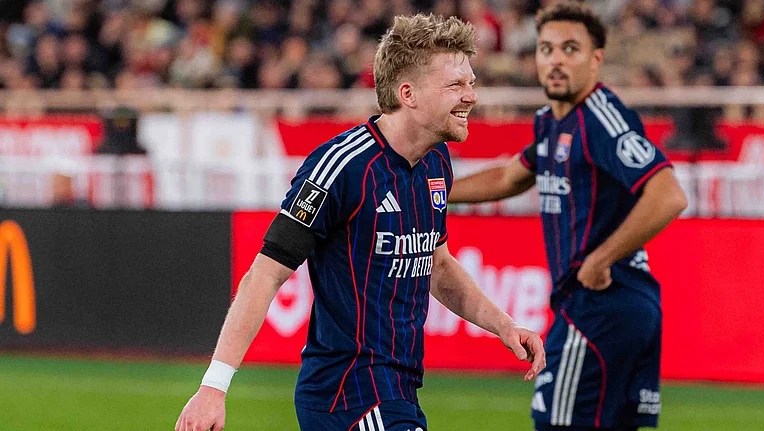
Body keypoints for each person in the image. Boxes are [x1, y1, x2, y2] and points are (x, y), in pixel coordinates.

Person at [175, 14, 545, 431]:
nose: (471, 96)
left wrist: (505, 326)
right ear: (408, 93)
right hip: (347, 393)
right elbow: (265, 274)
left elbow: (437, 266)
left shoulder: (436, 162)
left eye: (471, 83)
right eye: (456, 85)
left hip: (398, 390)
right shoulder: (341, 167)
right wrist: (213, 387)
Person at [449, 2, 688, 430]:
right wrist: (432, 189)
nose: (555, 59)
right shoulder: (552, 122)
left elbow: (668, 194)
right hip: (624, 310)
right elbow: (508, 177)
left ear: (597, 58)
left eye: (570, 48)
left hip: (599, 305)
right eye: (546, 49)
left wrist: (600, 259)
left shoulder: (600, 118)